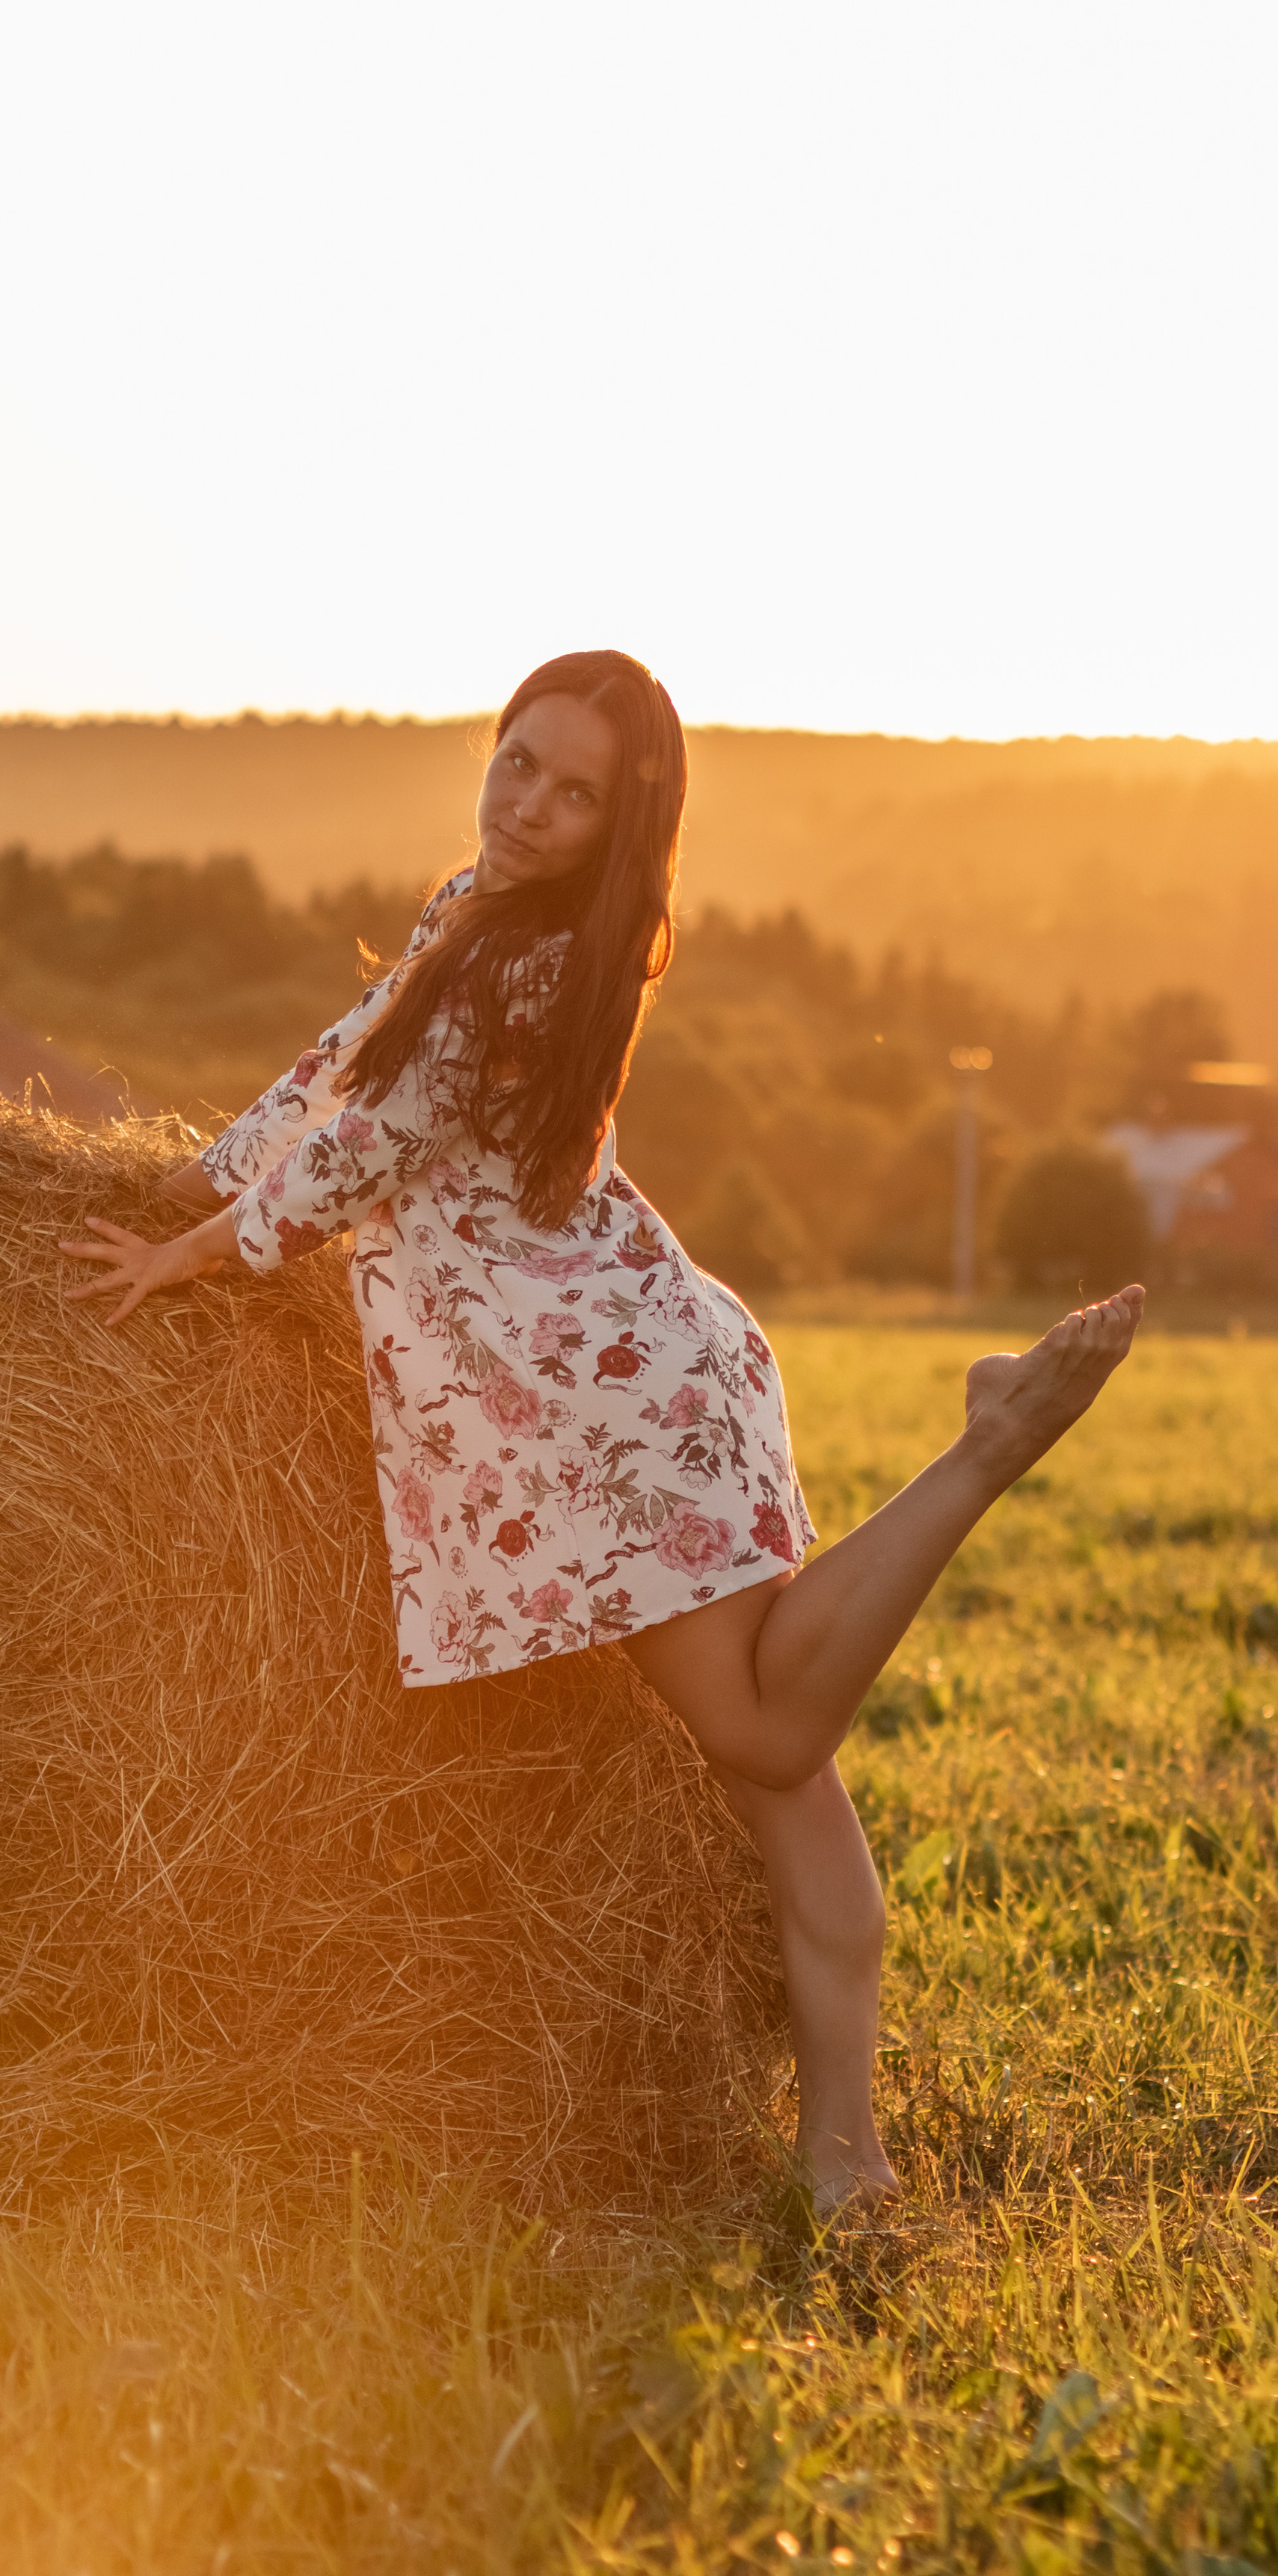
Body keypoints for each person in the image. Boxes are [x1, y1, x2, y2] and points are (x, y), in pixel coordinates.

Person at [59, 650, 1143, 2210]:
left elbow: (378, 1138)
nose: (528, 809)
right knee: (785, 1781)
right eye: (517, 763)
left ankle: (983, 1446)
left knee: (766, 1736)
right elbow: (326, 1073)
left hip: (594, 1403)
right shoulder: (473, 912)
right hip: (611, 1363)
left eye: (574, 796)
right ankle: (847, 2156)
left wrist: (190, 1253)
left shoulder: (546, 960)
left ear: (622, 825)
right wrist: (172, 1180)